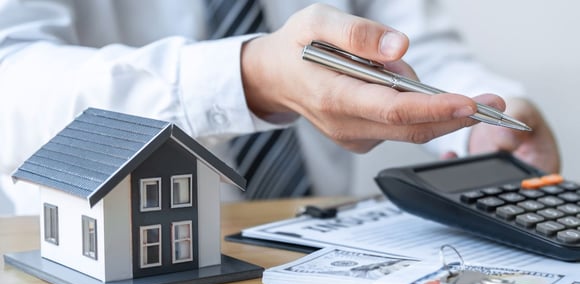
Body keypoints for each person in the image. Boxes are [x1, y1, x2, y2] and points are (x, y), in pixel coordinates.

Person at [0, 0, 559, 216]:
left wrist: (479, 119)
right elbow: (12, 79)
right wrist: (244, 78)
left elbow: (407, 45)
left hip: (304, 245)